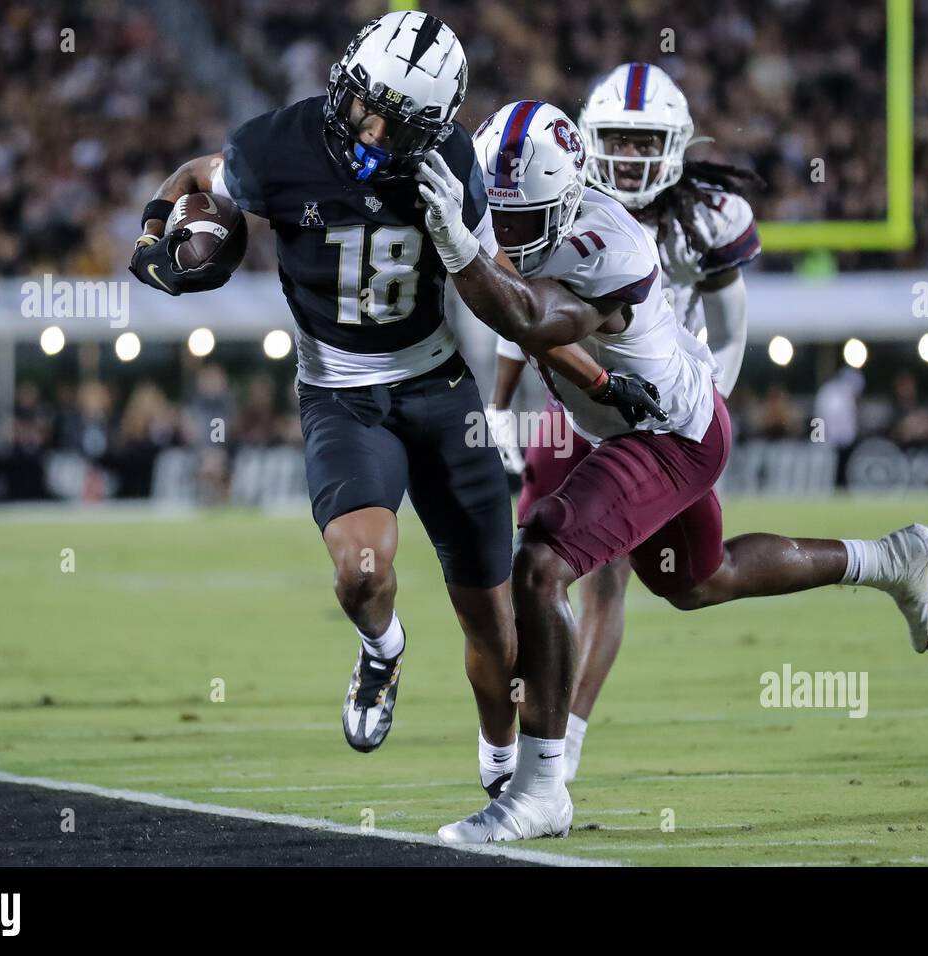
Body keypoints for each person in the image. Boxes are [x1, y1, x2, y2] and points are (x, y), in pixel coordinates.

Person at [129, 13, 663, 788]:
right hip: (341, 394)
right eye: (363, 103)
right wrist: (154, 240)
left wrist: (603, 380)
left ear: (436, 128)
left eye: (396, 121)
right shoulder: (276, 145)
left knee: (494, 619)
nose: (370, 129)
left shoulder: (452, 164)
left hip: (439, 388)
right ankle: (382, 651)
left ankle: (501, 769)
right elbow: (192, 177)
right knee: (361, 574)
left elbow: (508, 302)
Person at [416, 99, 928, 842]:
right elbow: (532, 319)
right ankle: (885, 558)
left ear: (565, 199)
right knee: (700, 581)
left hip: (670, 436)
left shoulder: (607, 246)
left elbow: (532, 319)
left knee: (539, 561)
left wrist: (462, 251)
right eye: (498, 216)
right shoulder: (527, 219)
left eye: (524, 219)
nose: (508, 233)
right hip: (636, 418)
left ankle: (541, 789)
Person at [487, 64, 763, 781]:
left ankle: (556, 747)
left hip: (661, 411)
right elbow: (518, 320)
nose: (632, 158)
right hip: (573, 402)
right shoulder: (560, 196)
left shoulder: (703, 217)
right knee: (546, 566)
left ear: (674, 144)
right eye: (619, 140)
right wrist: (498, 407)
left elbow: (731, 328)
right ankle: (536, 740)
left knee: (634, 578)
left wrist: (712, 400)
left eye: (646, 144)